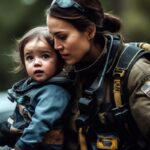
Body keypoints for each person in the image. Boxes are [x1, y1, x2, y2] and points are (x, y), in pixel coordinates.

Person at [46, 0, 150, 150]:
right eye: (52, 37)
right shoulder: (64, 74)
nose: (56, 46)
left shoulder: (136, 73)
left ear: (89, 31)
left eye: (62, 37)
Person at [0, 26, 73, 150]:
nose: (36, 62)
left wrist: (19, 147)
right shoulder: (32, 87)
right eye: (30, 58)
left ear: (59, 61)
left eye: (45, 56)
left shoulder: (54, 92)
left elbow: (39, 126)